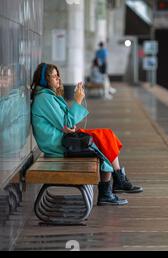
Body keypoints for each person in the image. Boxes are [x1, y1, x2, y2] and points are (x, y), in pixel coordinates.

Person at [30, 63, 143, 206]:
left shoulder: (48, 97)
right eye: (53, 76)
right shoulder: (44, 98)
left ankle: (118, 180)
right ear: (44, 79)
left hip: (62, 140)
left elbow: (66, 124)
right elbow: (68, 123)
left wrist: (67, 126)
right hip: (59, 145)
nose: (58, 78)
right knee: (102, 147)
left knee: (106, 134)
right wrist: (77, 100)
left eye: (58, 75)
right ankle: (109, 190)